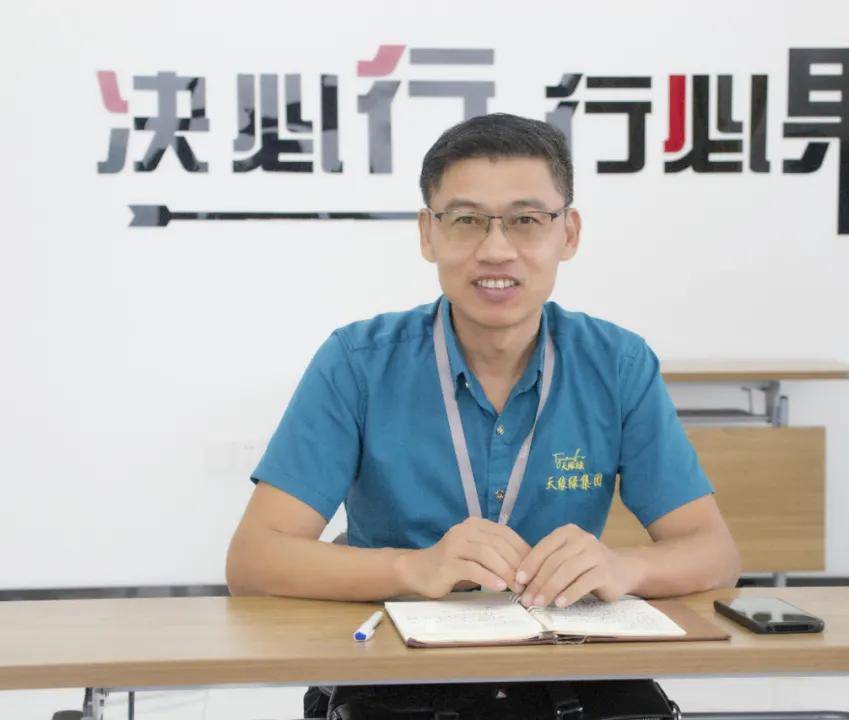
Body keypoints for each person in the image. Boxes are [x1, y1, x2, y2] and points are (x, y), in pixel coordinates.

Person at [226, 110, 739, 649]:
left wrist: (624, 567)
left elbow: (715, 553)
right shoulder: (358, 363)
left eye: (526, 220)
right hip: (395, 669)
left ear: (568, 233)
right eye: (466, 220)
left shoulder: (617, 364)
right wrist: (413, 568)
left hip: (569, 667)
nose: (496, 250)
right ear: (428, 233)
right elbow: (253, 560)